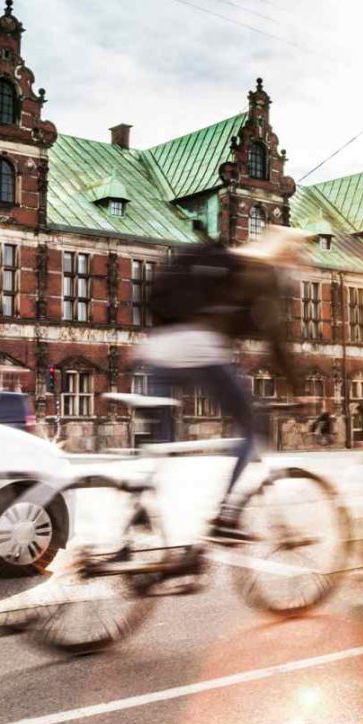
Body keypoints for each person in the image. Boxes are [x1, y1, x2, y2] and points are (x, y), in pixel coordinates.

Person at [137, 227, 304, 542]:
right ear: (286, 253)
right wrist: (298, 389)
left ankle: (136, 509)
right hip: (200, 347)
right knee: (253, 426)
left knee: (160, 441)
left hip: (156, 344)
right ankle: (225, 518)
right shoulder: (263, 271)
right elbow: (276, 341)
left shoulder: (222, 258)